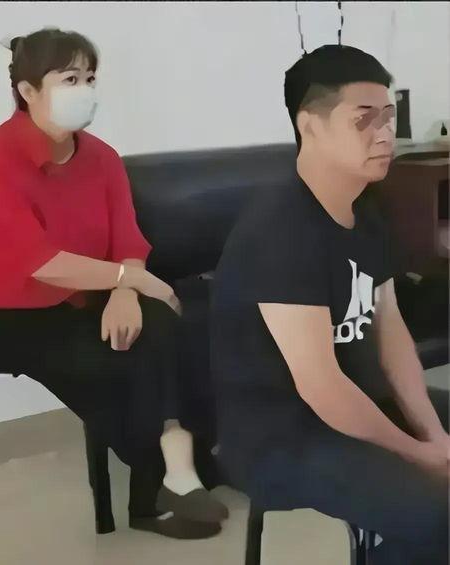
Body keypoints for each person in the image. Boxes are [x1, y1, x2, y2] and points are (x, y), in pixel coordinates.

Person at [0, 27, 227, 540]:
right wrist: (131, 279)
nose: (84, 90)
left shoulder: (101, 157)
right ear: (28, 91)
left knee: (169, 324)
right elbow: (38, 262)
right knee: (124, 364)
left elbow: (128, 238)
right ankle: (169, 477)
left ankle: (171, 476)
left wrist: (125, 291)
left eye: (89, 78)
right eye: (69, 79)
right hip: (15, 316)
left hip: (92, 296)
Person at [211, 44, 449, 564]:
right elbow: (321, 387)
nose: (384, 133)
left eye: (388, 116)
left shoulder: (365, 208)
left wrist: (433, 432)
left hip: (361, 404)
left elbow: (391, 336)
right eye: (363, 119)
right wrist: (420, 455)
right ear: (310, 126)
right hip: (281, 436)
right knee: (438, 514)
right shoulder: (280, 230)